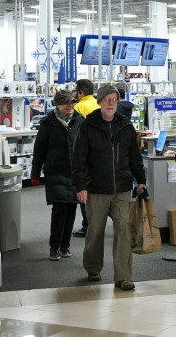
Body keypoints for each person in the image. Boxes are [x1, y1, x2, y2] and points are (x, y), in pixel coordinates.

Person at [72, 85, 147, 290]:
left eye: (114, 99)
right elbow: (79, 159)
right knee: (95, 231)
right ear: (99, 102)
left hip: (122, 188)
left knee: (122, 230)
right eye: (107, 99)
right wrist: (81, 186)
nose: (111, 103)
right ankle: (93, 268)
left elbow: (135, 157)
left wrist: (141, 180)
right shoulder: (88, 126)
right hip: (96, 188)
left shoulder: (126, 127)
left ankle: (123, 276)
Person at [30, 90, 84, 261]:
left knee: (72, 209)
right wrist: (35, 173)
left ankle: (65, 246)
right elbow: (39, 150)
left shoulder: (80, 121)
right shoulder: (48, 123)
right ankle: (54, 247)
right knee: (60, 209)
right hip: (56, 172)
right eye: (67, 102)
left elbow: (87, 148)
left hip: (76, 173)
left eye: (73, 102)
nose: (70, 105)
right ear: (57, 105)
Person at [72, 78, 100, 237]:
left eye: (76, 91)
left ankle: (87, 224)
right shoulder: (97, 104)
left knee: (83, 190)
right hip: (99, 154)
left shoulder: (79, 107)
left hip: (86, 155)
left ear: (81, 92)